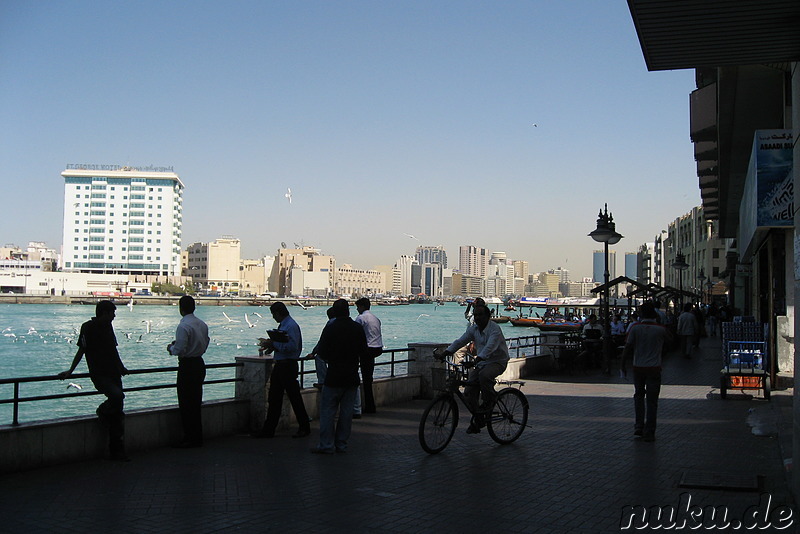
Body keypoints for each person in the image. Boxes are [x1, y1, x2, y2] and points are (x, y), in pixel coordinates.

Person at [58, 300, 129, 461]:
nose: (114, 316)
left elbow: (113, 349)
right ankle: (103, 410)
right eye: (112, 313)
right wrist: (70, 371)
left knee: (118, 410)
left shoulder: (108, 327)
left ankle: (117, 450)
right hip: (99, 374)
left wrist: (121, 367)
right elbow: (81, 350)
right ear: (104, 313)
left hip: (113, 373)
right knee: (117, 397)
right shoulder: (87, 327)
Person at [439, 304, 509, 434]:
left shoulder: (494, 329)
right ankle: (479, 418)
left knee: (485, 376)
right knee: (469, 391)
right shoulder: (474, 329)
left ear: (488, 316)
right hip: (482, 362)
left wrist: (477, 359)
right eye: (475, 315)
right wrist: (446, 352)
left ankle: (490, 400)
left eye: (480, 315)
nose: (477, 318)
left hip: (497, 361)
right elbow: (461, 341)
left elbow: (490, 347)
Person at [311, 298, 367, 454]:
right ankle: (341, 444)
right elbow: (363, 351)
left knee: (328, 412)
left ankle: (326, 445)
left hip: (334, 375)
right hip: (351, 375)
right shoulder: (357, 328)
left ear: (334, 312)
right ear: (348, 311)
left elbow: (322, 352)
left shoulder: (330, 328)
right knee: (346, 413)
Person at [253, 302, 311, 439]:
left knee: (293, 397)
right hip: (282, 365)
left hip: (287, 365)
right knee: (275, 398)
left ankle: (304, 427)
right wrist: (272, 346)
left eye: (274, 314)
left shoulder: (290, 326)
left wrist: (272, 344)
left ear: (278, 313)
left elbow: (292, 346)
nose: (273, 317)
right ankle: (269, 429)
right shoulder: (286, 325)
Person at [621, 301, 671, 442]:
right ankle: (650, 431)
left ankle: (638, 425)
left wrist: (623, 365)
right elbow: (670, 343)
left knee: (638, 396)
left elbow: (628, 347)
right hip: (654, 368)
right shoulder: (660, 329)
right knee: (652, 400)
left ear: (641, 313)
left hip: (638, 367)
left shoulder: (635, 328)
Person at [167, 295, 210, 448]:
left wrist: (171, 348)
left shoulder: (183, 326)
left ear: (181, 308)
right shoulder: (202, 324)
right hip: (199, 363)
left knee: (186, 403)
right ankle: (197, 436)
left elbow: (179, 349)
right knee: (196, 401)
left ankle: (189, 437)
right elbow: (206, 342)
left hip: (187, 366)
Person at [354, 297, 383, 414]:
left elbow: (354, 333)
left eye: (357, 307)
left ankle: (367, 407)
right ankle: (370, 405)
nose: (357, 309)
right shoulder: (375, 318)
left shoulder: (361, 318)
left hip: (367, 349)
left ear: (361, 307)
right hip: (377, 348)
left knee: (365, 378)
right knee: (368, 378)